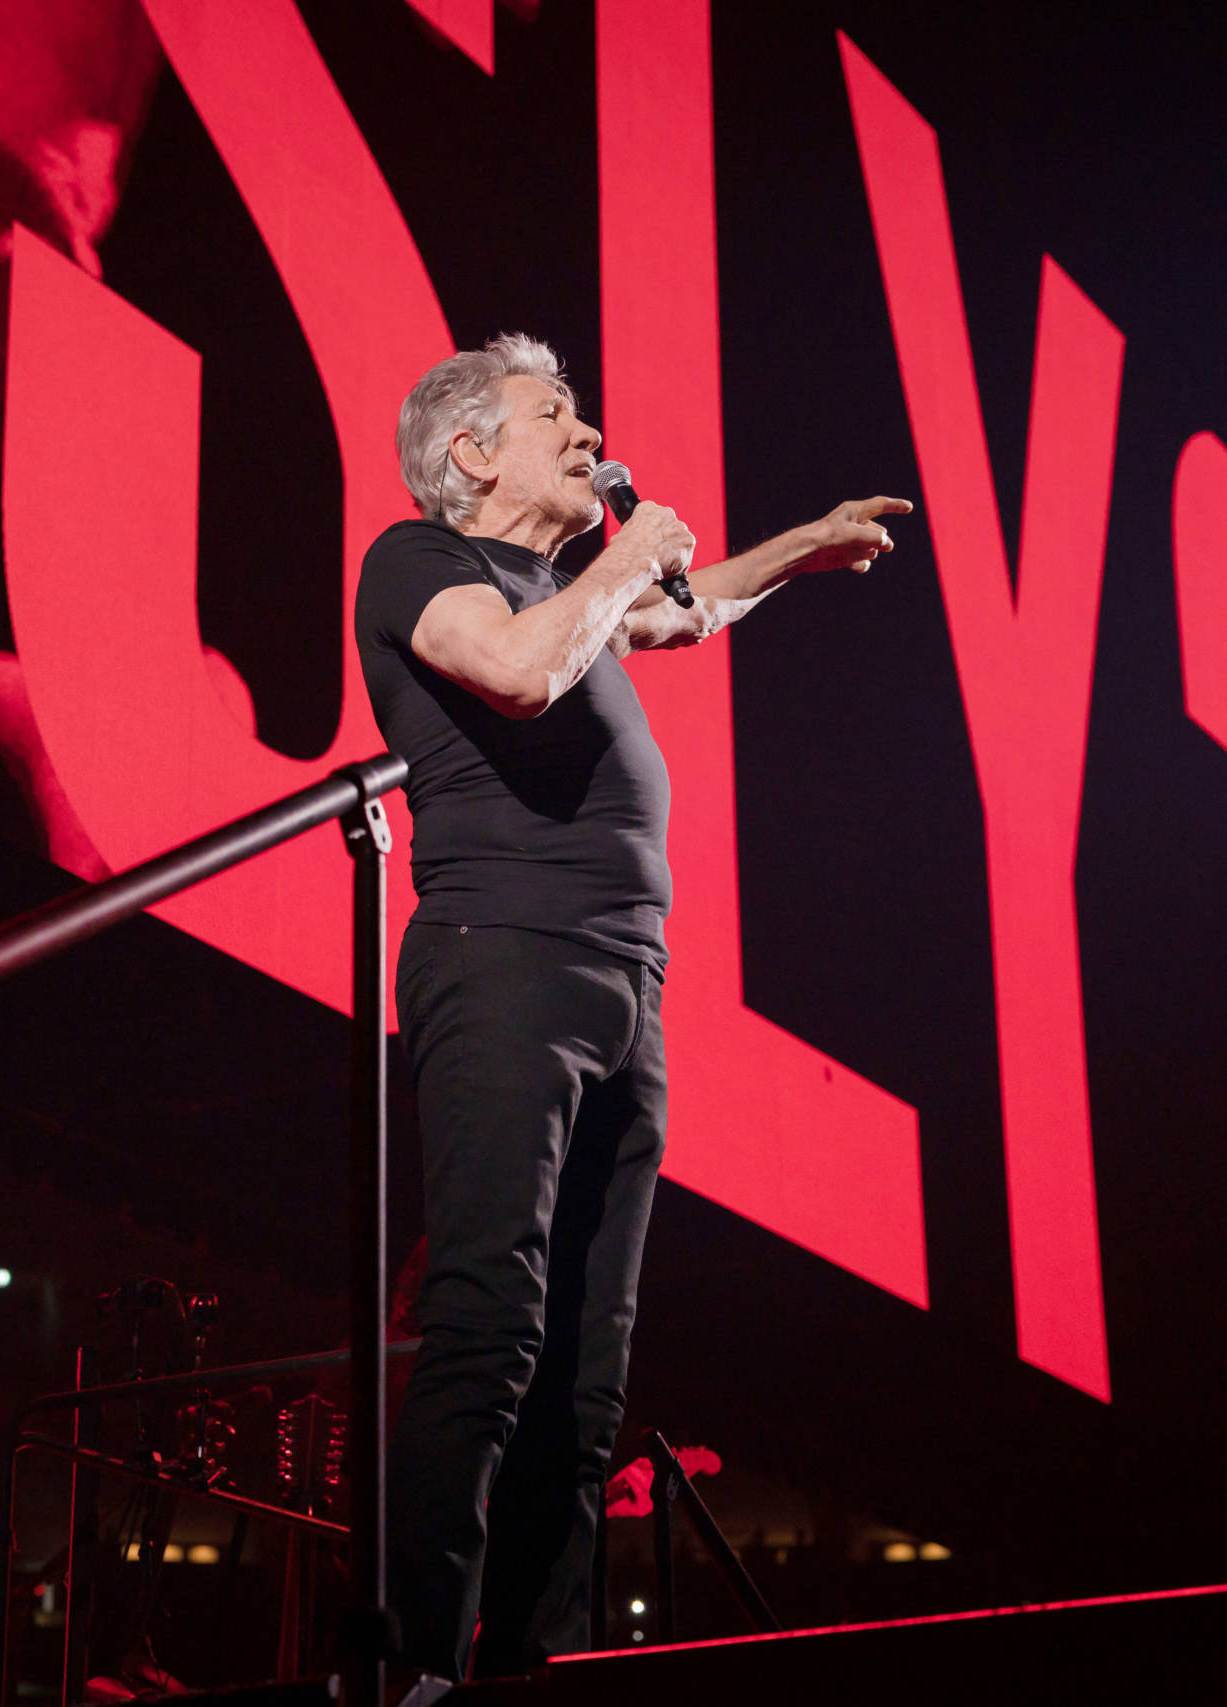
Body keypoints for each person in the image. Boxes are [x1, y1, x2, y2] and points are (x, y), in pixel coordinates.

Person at [356, 334, 908, 1683]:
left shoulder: (571, 583)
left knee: (587, 1376)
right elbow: (522, 672)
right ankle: (411, 1662)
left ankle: (537, 1666)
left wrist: (797, 548)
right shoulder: (421, 564)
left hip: (627, 982)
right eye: (556, 414)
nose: (588, 428)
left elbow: (674, 612)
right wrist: (625, 553)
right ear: (472, 452)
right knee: (490, 1320)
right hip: (504, 959)